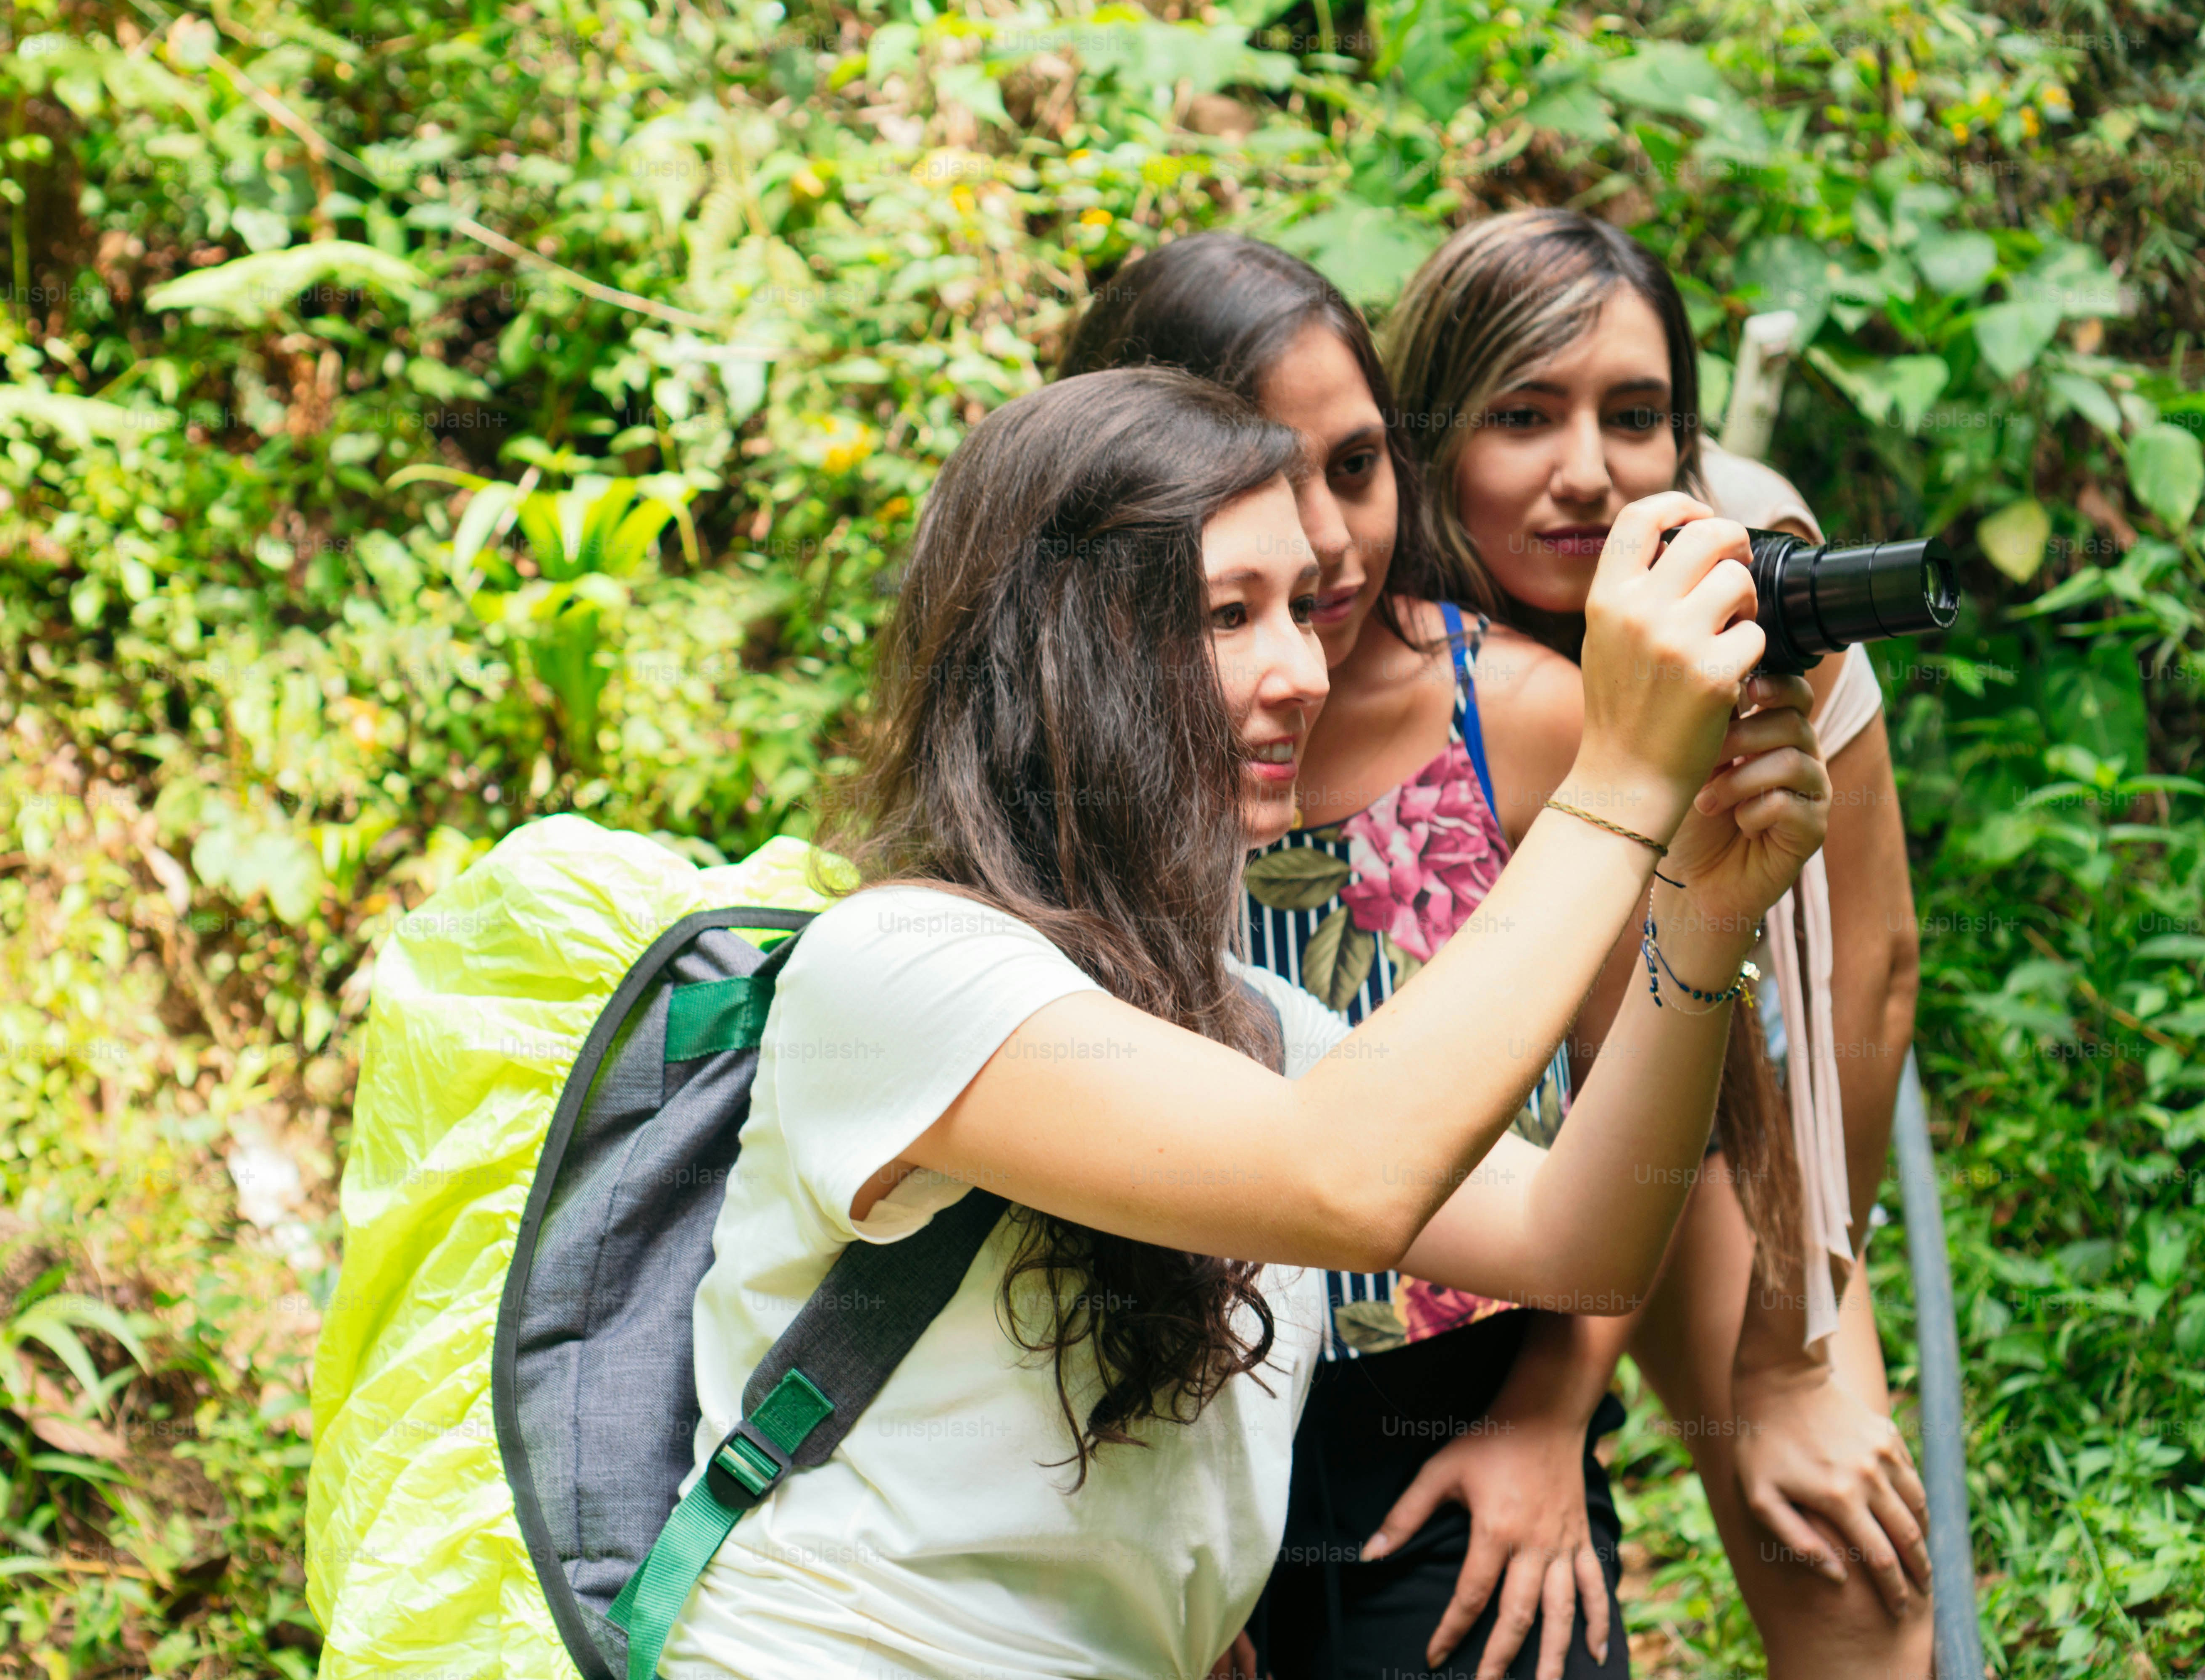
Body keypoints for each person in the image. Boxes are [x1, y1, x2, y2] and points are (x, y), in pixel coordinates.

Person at [653, 363, 1830, 1679]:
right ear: (1067, 647)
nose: (1305, 671)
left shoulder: (1247, 1021)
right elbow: (1348, 1177)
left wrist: (1699, 915)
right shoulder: (902, 965)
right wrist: (1616, 779)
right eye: (1228, 614)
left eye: (1302, 609)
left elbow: (1580, 1242)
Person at [1060, 233, 1637, 1680]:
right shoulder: (1076, 784)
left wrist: (1550, 1423)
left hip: (1460, 1423)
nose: (1323, 536)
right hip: (1161, 1435)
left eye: (1358, 465)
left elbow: (1642, 1116)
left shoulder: (1518, 719)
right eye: (1262, 480)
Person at [1385, 207, 1934, 1680]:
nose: (1587, 471)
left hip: (1710, 1097)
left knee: (1849, 1566)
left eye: (1635, 418)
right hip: (1465, 1117)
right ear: (1429, 435)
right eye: (1522, 414)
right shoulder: (1372, 615)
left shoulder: (1760, 579)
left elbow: (1872, 971)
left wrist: (1793, 1338)